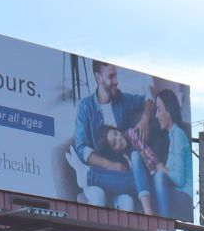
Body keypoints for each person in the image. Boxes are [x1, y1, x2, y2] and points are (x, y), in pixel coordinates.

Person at [74, 61, 149, 210]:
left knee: (128, 203)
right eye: (111, 77)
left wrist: (145, 119)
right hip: (100, 171)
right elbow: (81, 148)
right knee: (98, 197)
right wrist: (109, 165)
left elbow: (148, 99)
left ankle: (87, 175)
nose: (116, 81)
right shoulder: (86, 107)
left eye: (116, 76)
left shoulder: (122, 99)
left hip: (121, 174)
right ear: (98, 77)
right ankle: (90, 176)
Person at [152, 88, 194, 221]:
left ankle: (163, 225)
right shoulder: (173, 136)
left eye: (159, 110)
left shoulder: (178, 135)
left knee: (158, 178)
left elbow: (179, 179)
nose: (156, 116)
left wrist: (162, 170)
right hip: (179, 195)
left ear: (168, 111)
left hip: (184, 196)